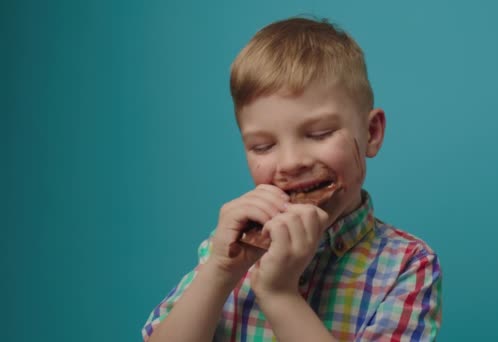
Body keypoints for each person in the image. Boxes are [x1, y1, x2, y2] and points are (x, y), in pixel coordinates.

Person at [142, 16, 442, 341]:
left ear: (370, 133)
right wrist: (218, 271)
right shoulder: (227, 248)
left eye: (319, 133)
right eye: (263, 146)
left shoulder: (407, 265)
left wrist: (280, 294)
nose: (291, 162)